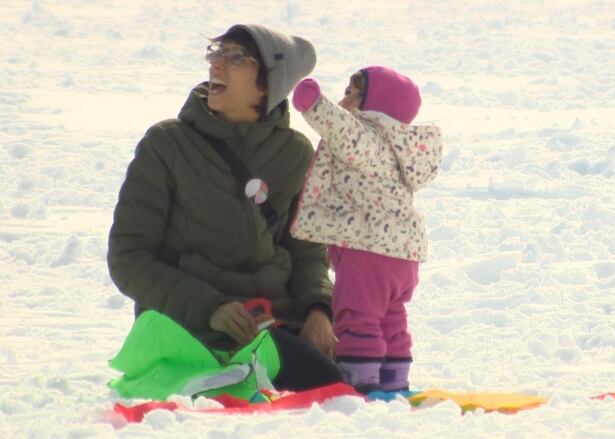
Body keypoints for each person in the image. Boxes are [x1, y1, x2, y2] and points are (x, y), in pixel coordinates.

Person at [107, 23, 341, 392]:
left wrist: (317, 309)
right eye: (216, 54)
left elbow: (307, 249)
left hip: (271, 328)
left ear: (267, 84)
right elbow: (128, 258)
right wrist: (211, 309)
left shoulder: (296, 154)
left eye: (235, 59)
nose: (216, 66)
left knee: (334, 390)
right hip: (187, 329)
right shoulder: (165, 146)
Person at [289, 66, 443, 392]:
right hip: (402, 254)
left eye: (354, 96)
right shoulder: (401, 147)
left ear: (379, 109)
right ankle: (394, 380)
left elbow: (343, 130)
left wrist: (315, 104)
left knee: (356, 316)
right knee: (391, 319)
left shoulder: (368, 138)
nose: (346, 101)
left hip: (369, 251)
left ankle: (359, 380)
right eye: (346, 93)